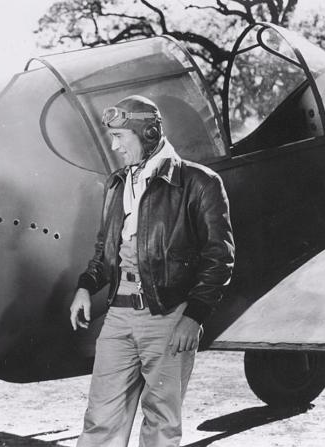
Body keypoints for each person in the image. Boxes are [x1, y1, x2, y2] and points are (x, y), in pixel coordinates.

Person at [70, 95, 234, 447]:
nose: (115, 146)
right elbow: (105, 249)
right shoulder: (116, 184)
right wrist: (86, 285)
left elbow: (219, 257)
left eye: (120, 137)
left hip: (169, 316)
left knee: (161, 421)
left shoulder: (199, 182)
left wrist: (194, 316)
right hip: (118, 315)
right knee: (100, 419)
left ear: (148, 132)